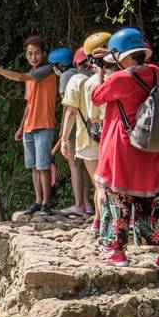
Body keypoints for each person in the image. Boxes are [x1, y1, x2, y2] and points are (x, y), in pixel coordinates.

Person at [90, 27, 159, 269]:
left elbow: (97, 97)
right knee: (153, 201)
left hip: (123, 146)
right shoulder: (156, 72)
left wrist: (101, 72)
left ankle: (116, 251)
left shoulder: (119, 79)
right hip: (150, 144)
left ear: (121, 56)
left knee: (116, 199)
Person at [0, 36, 58, 215]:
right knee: (33, 167)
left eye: (36, 53)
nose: (33, 57)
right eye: (29, 54)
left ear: (43, 54)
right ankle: (38, 200)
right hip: (29, 128)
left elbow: (18, 76)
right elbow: (29, 104)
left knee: (43, 166)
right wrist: (20, 127)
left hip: (44, 125)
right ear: (26, 55)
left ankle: (47, 204)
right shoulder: (31, 74)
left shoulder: (47, 70)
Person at [61, 32, 112, 222]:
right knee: (113, 184)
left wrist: (64, 138)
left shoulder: (77, 80)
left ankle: (106, 225)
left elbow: (71, 112)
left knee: (100, 185)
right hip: (113, 137)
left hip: (88, 138)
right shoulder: (115, 75)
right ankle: (99, 221)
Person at [52, 46, 92, 215]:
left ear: (60, 64)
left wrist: (63, 134)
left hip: (75, 126)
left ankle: (79, 204)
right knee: (86, 165)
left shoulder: (68, 77)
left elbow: (68, 108)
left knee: (74, 165)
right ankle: (88, 203)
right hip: (91, 125)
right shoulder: (94, 75)